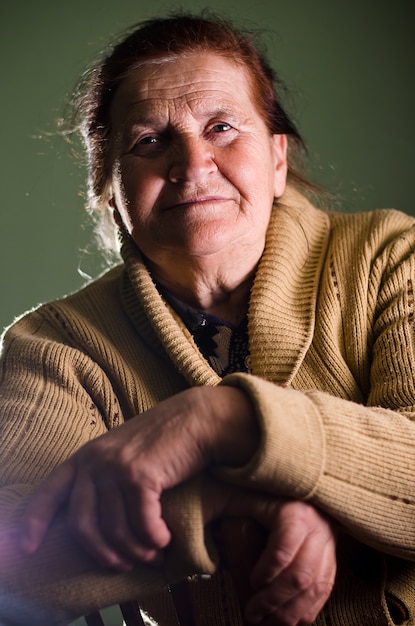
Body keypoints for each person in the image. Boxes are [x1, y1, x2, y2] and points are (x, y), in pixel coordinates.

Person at [0, 11, 414, 626]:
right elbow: (13, 548)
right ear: (108, 188)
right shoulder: (55, 344)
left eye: (221, 127)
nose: (192, 165)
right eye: (148, 141)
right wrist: (229, 502)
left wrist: (222, 418)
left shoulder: (391, 255)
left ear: (277, 159)